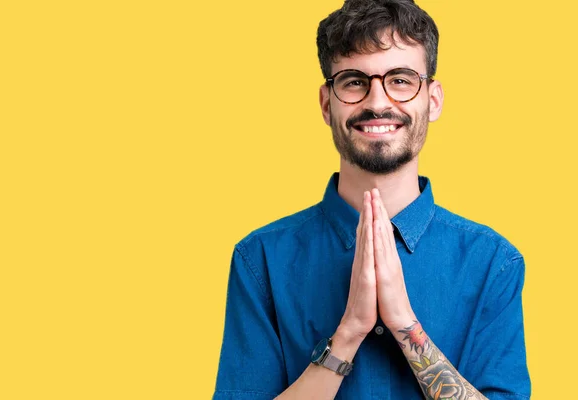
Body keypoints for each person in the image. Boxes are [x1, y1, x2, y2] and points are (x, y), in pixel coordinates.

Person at [213, 0, 530, 398]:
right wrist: (348, 333)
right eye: (353, 81)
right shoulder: (259, 260)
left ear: (432, 100)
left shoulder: (493, 264)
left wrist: (404, 324)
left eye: (400, 80)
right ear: (327, 104)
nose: (378, 103)